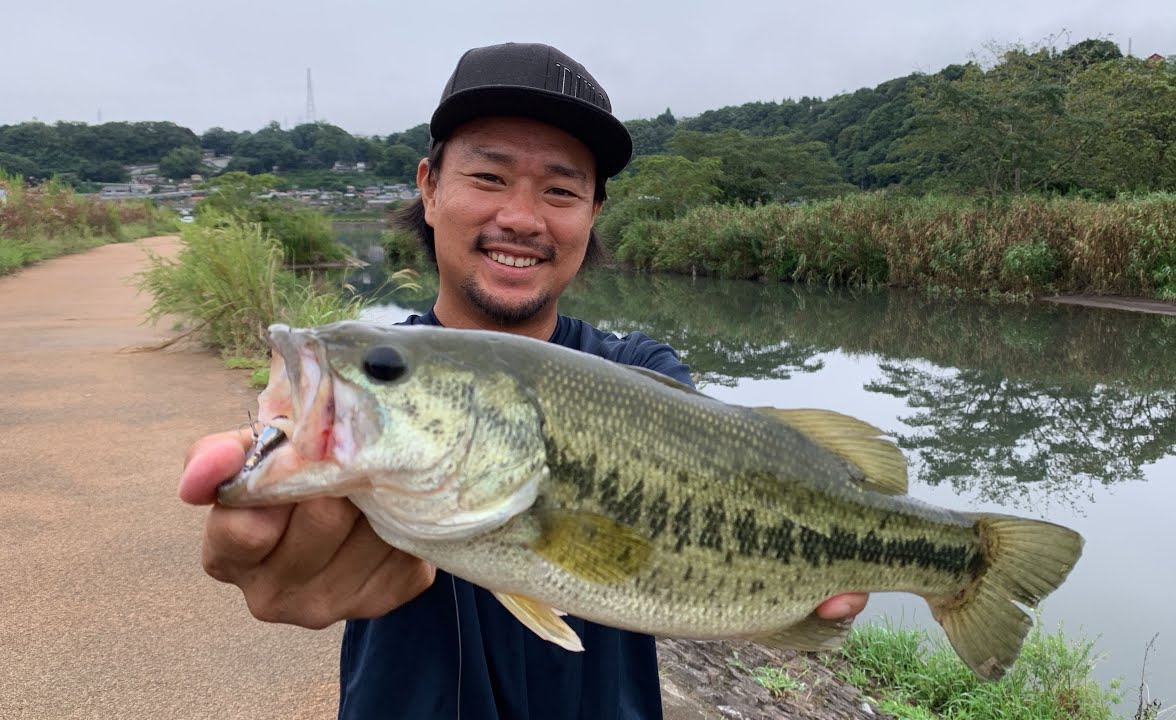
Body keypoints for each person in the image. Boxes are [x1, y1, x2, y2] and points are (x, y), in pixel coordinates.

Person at [178, 42, 869, 719]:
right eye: (488, 177)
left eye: (562, 189)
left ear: (594, 212)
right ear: (428, 186)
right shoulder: (370, 413)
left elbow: (738, 487)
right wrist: (274, 520)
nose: (521, 217)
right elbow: (278, 469)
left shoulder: (643, 375)